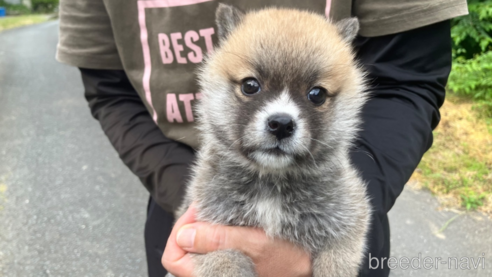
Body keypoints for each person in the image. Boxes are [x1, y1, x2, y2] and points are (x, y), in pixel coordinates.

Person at [57, 1, 468, 276]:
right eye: (251, 87)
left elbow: (408, 78)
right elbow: (110, 92)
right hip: (176, 188)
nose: (282, 117)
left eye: (316, 96)